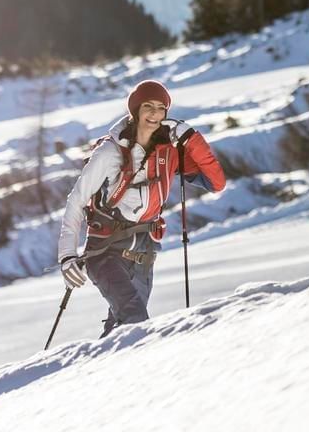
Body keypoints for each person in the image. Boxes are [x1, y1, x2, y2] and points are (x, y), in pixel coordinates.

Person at [57, 80, 225, 335]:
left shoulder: (169, 151)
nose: (155, 113)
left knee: (122, 332)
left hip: (144, 254)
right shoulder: (110, 152)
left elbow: (216, 183)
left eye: (161, 108)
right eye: (148, 106)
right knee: (135, 324)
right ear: (135, 110)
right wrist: (67, 255)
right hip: (106, 252)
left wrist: (191, 138)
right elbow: (77, 199)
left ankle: (94, 371)